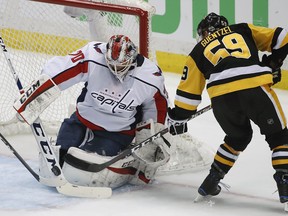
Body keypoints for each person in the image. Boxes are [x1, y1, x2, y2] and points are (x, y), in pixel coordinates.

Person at [14, 34, 171, 188]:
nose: (116, 69)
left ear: (132, 60)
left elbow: (157, 107)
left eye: (121, 65)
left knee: (82, 166)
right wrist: (36, 94)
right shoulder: (93, 56)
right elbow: (61, 69)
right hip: (82, 121)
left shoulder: (150, 76)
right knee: (60, 154)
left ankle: (130, 165)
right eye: (112, 64)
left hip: (117, 132)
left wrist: (154, 131)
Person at [167, 12, 288, 204]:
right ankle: (285, 183)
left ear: (204, 32)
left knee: (237, 138)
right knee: (279, 137)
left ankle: (211, 181)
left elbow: (187, 99)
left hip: (221, 97)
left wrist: (177, 117)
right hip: (255, 87)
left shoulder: (198, 50)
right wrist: (274, 63)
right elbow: (283, 38)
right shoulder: (242, 29)